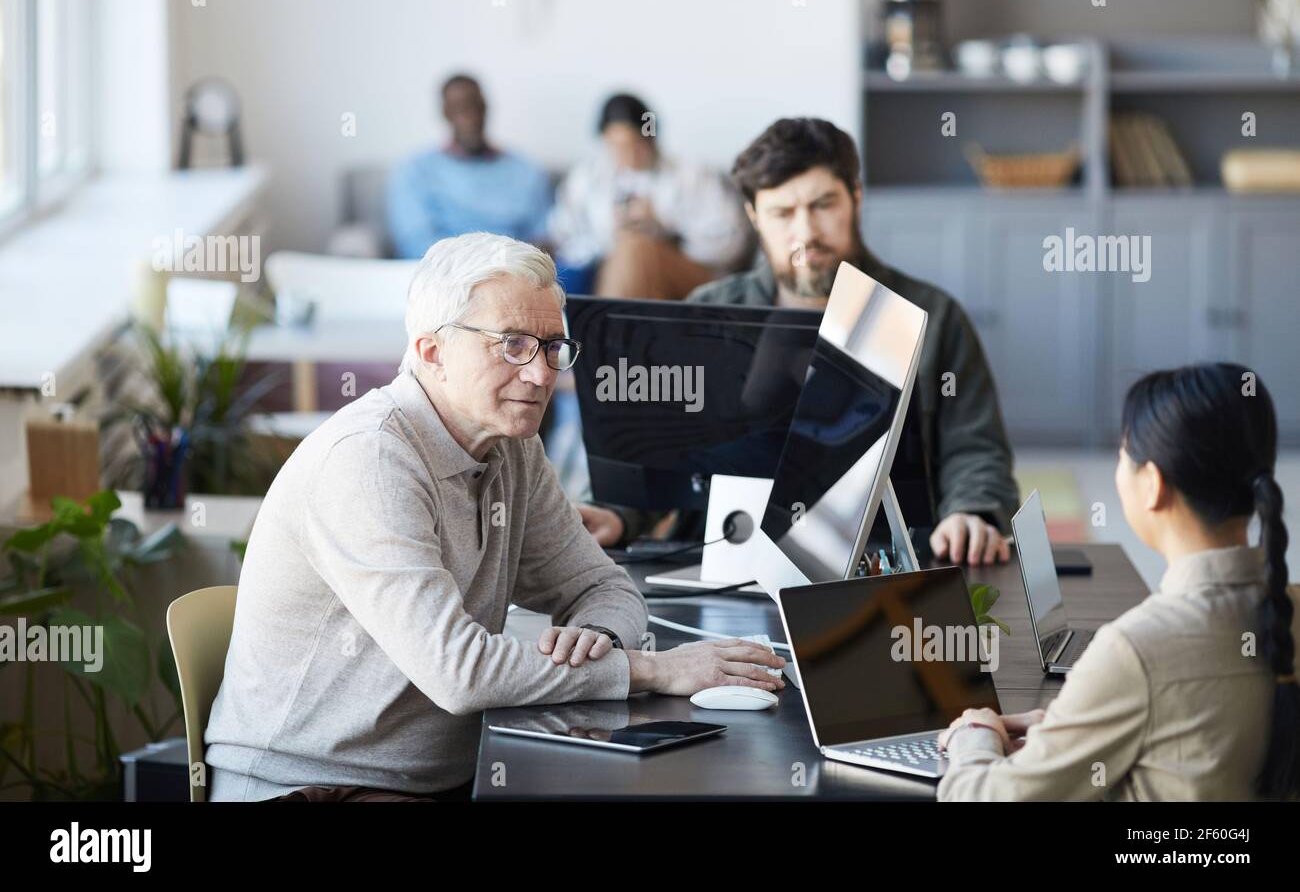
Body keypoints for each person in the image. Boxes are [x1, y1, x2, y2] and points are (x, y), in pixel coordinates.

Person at [204, 233, 785, 802]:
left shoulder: (511, 443)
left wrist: (598, 643)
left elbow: (601, 584)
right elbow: (460, 672)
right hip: (314, 785)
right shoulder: (370, 461)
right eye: (511, 344)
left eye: (552, 347)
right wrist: (650, 670)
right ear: (432, 352)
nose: (540, 375)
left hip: (440, 775)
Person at [579, 117, 1019, 567]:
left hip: (885, 569)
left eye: (823, 204)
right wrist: (616, 512)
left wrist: (971, 512)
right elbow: (654, 452)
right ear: (753, 215)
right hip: (723, 568)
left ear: (856, 197)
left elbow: (975, 449)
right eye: (783, 214)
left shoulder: (934, 315)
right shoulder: (708, 314)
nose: (806, 232)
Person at [937, 363, 1299, 801]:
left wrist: (973, 732)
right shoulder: (1287, 610)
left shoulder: (1136, 650)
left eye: (1123, 453)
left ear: (1152, 484)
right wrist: (1073, 722)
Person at [549, 92, 751, 301]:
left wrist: (667, 231)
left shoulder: (694, 176)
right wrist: (611, 239)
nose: (629, 155)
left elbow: (731, 244)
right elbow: (564, 238)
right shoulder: (586, 178)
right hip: (607, 270)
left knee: (635, 249)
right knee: (629, 248)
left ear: (651, 137)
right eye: (618, 147)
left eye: (636, 144)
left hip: (688, 274)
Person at [386, 74, 552, 259]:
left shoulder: (526, 171)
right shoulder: (415, 171)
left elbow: (542, 240)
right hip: (442, 274)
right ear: (445, 113)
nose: (471, 118)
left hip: (513, 274)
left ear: (486, 109)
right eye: (459, 109)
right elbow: (414, 244)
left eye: (476, 107)